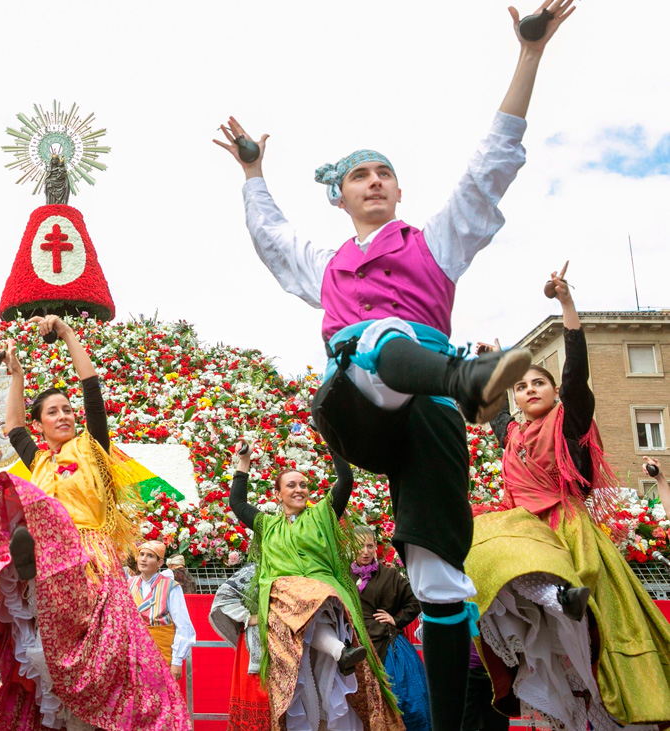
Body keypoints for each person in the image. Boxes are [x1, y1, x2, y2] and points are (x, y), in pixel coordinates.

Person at [214, 5, 577, 726]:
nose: (375, 182)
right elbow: (271, 236)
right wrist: (254, 171)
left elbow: (490, 170)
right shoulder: (326, 265)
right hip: (357, 408)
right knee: (373, 333)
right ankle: (471, 378)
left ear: (400, 191)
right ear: (341, 196)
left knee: (440, 581)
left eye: (385, 174)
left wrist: (528, 57)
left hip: (430, 418)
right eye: (360, 176)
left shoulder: (434, 243)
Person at [0, 315, 190, 730]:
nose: (65, 415)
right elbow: (13, 426)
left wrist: (68, 335)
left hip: (95, 563)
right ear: (41, 424)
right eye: (53, 411)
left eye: (67, 409)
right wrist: (16, 375)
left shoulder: (91, 447)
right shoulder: (39, 460)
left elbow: (93, 393)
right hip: (53, 562)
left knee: (104, 665)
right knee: (55, 666)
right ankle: (28, 568)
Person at [466, 271, 670, 728]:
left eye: (539, 383)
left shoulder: (569, 424)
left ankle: (604, 697)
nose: (529, 390)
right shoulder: (513, 434)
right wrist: (500, 362)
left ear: (556, 393)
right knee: (477, 535)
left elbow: (578, 372)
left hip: (566, 529)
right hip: (525, 529)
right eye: (522, 386)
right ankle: (551, 606)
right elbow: (495, 409)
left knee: (596, 645)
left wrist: (567, 305)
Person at [228, 440, 402, 731]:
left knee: (328, 680)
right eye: (291, 485)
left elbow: (346, 479)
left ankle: (339, 657)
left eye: (303, 485)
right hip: (284, 611)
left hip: (327, 604)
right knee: (299, 683)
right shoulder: (267, 525)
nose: (299, 490)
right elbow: (237, 503)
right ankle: (339, 652)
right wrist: (243, 465)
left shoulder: (322, 514)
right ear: (278, 493)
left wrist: (333, 441)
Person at [353, 526, 430, 731]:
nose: (365, 551)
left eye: (370, 545)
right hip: (355, 648)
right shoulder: (343, 577)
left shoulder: (389, 575)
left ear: (376, 547)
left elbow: (415, 601)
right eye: (360, 545)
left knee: (407, 703)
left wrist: (396, 620)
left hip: (391, 650)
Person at [207, 562, 270, 731]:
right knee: (257, 696)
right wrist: (248, 617)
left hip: (287, 641)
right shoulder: (256, 569)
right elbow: (225, 595)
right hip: (257, 645)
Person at [130, 540, 197, 681]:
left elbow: (183, 625)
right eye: (141, 554)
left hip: (160, 652)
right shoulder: (129, 584)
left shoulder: (170, 586)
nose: (143, 559)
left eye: (150, 556)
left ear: (160, 563)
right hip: (133, 653)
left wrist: (177, 661)